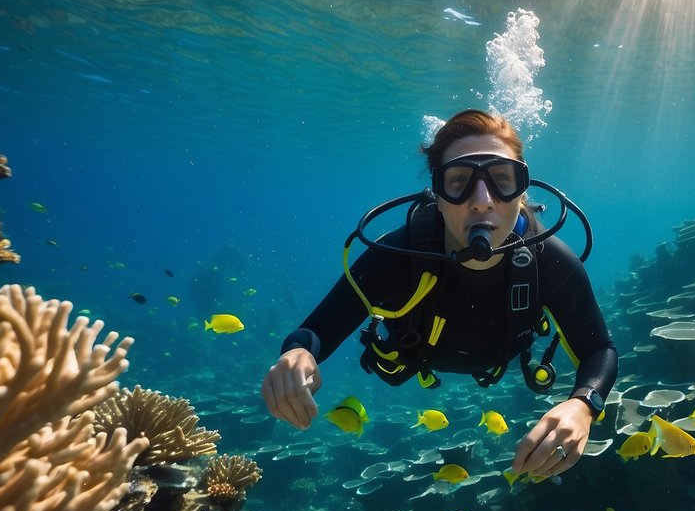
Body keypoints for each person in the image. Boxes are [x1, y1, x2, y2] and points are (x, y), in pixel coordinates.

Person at [261, 109, 617, 478]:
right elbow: (314, 331)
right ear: (438, 193)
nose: (483, 201)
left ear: (522, 190)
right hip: (414, 359)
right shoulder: (398, 255)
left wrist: (583, 404)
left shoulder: (549, 261)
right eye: (460, 180)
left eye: (501, 179)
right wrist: (297, 354)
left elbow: (599, 349)